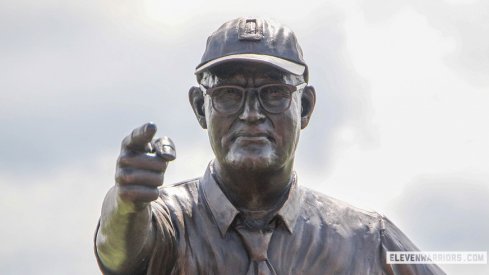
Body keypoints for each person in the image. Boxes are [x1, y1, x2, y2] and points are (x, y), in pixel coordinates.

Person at [94, 17, 445, 274]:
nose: (250, 114)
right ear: (201, 109)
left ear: (304, 107)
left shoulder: (366, 240)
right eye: (229, 95)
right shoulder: (170, 223)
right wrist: (126, 206)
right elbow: (119, 253)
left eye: (274, 93)